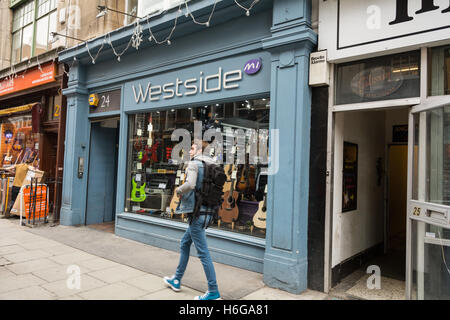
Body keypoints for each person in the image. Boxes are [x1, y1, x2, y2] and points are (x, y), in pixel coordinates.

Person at [163, 139, 221, 300]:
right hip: (208, 212)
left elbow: (191, 184)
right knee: (185, 243)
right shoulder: (212, 165)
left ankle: (213, 291)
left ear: (200, 150)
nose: (189, 151)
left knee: (203, 253)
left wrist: (178, 190)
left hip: (196, 214)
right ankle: (176, 279)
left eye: (193, 148)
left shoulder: (195, 164)